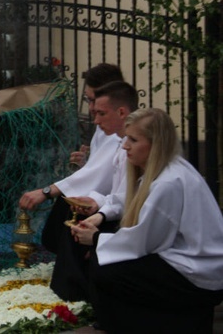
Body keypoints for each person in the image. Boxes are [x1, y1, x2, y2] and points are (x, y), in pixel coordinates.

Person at [72, 108, 223, 333]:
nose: (125, 146)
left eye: (133, 139)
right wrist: (100, 223)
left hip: (197, 275)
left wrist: (95, 238)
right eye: (125, 138)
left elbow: (145, 243)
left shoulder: (167, 182)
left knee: (104, 270)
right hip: (194, 264)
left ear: (155, 144)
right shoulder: (172, 170)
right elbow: (133, 214)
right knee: (105, 261)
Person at [20, 79, 138, 301]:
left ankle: (75, 292)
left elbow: (128, 195)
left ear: (121, 111)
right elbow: (118, 189)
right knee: (76, 217)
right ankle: (71, 290)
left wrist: (100, 215)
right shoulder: (122, 141)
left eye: (98, 109)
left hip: (139, 227)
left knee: (77, 223)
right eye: (89, 102)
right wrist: (98, 205)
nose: (93, 115)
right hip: (120, 210)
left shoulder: (130, 145)